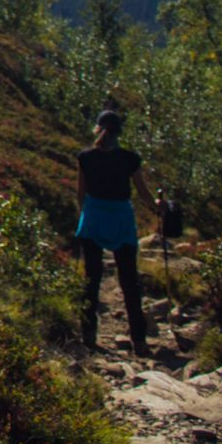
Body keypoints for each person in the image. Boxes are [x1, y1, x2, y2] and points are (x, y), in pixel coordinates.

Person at [75, 106, 160, 354]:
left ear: (98, 129)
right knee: (129, 281)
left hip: (93, 218)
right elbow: (143, 194)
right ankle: (139, 340)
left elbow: (81, 193)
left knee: (91, 279)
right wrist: (158, 207)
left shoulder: (85, 157)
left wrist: (85, 215)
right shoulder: (130, 159)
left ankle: (88, 335)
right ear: (119, 133)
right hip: (121, 220)